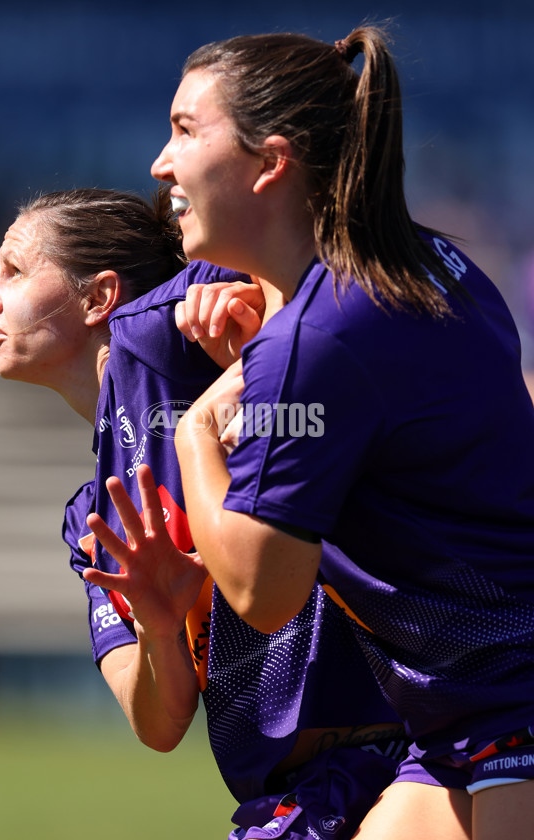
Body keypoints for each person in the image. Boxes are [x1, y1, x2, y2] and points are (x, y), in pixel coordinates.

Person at [150, 24, 534, 840]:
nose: (161, 163)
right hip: (469, 721)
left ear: (271, 162)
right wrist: (263, 354)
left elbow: (261, 593)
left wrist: (194, 436)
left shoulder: (317, 341)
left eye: (185, 131)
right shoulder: (429, 264)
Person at [0, 187, 406, 840]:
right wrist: (156, 622)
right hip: (300, 801)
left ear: (100, 298)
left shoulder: (167, 333)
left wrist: (253, 290)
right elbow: (159, 723)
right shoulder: (94, 517)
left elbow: (293, 212)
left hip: (413, 755)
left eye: (13, 271)